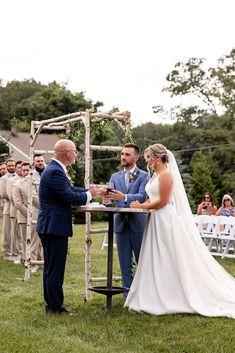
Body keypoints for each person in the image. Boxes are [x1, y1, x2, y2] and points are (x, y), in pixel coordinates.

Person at [125, 144, 235, 318]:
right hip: (155, 219)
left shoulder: (166, 175)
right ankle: (154, 292)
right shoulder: (155, 175)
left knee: (169, 254)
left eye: (148, 157)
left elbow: (163, 201)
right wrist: (141, 204)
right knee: (156, 255)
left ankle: (174, 295)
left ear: (157, 158)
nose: (147, 161)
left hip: (165, 218)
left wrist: (142, 206)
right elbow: (152, 197)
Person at [37, 139, 105, 314]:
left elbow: (70, 189)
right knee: (55, 270)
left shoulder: (55, 169)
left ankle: (52, 305)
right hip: (54, 226)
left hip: (51, 225)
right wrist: (90, 194)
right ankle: (55, 308)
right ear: (67, 152)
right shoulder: (54, 171)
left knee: (51, 268)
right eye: (74, 151)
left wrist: (91, 191)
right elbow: (68, 196)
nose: (76, 154)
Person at [105, 143, 149, 292]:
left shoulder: (144, 175)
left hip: (137, 224)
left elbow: (142, 196)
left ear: (136, 157)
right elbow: (110, 199)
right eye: (122, 154)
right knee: (125, 265)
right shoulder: (114, 176)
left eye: (127, 154)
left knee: (142, 263)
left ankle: (144, 295)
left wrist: (124, 197)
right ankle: (128, 297)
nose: (123, 157)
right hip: (120, 224)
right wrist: (107, 200)